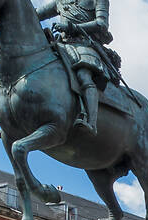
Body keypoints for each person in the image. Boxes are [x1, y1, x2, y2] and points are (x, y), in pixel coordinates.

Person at [36, 0, 114, 136]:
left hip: (84, 45)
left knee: (84, 75)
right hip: (61, 45)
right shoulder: (60, 1)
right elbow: (35, 15)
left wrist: (72, 27)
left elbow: (102, 24)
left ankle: (91, 123)